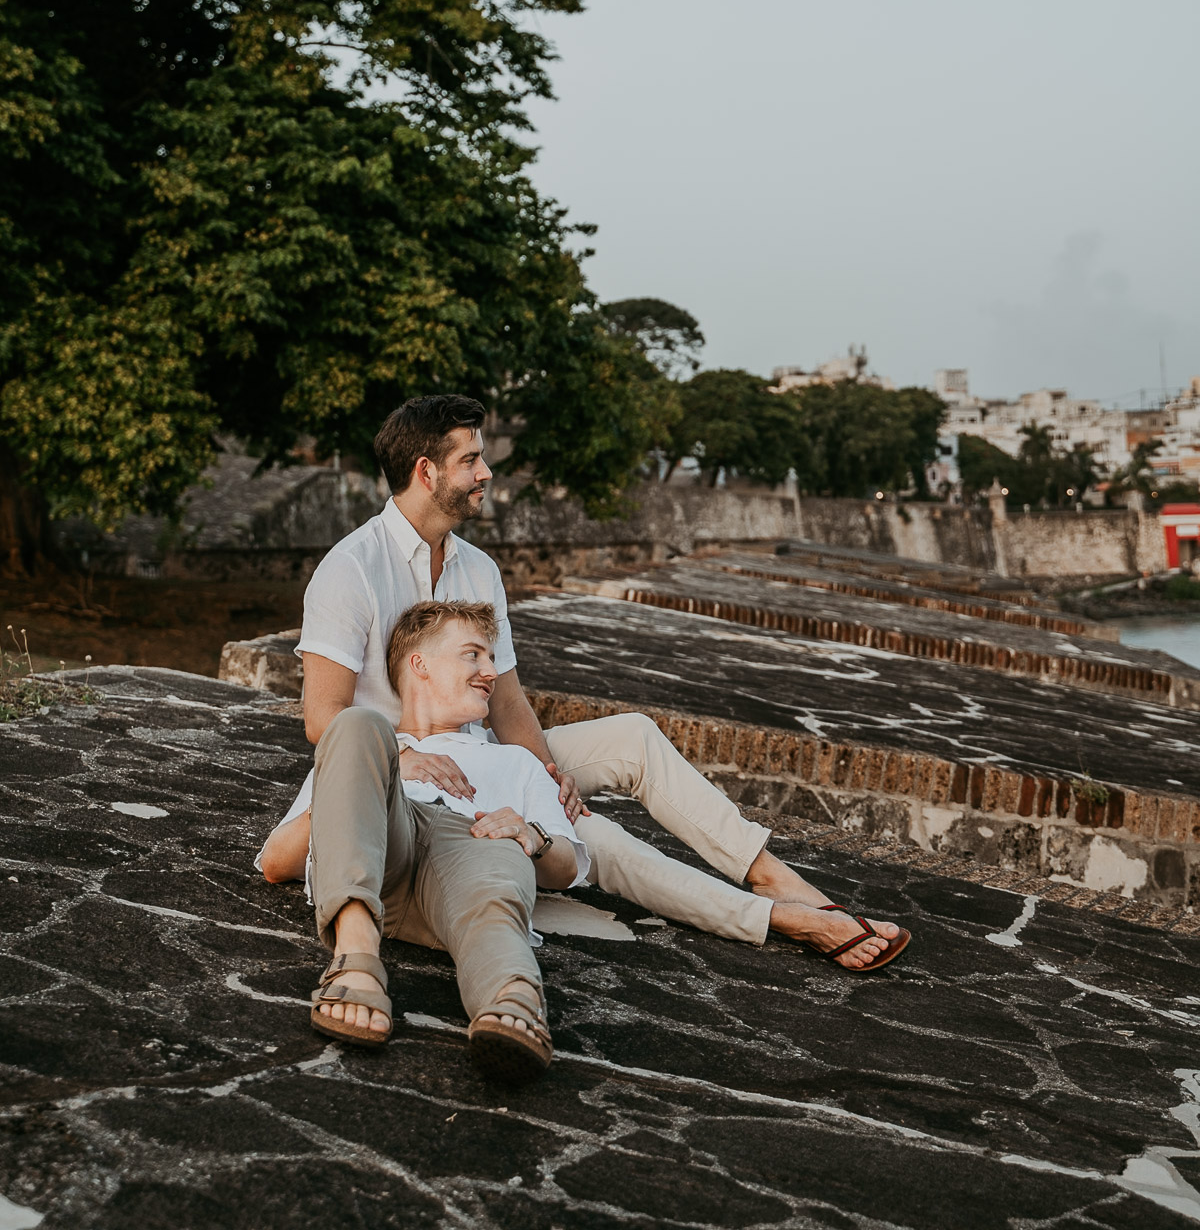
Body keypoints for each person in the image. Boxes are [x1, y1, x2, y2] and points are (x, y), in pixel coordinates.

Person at [261, 395, 908, 971]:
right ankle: (778, 922)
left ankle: (774, 879)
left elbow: (506, 697)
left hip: (486, 756)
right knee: (599, 839)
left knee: (633, 738)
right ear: (426, 472)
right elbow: (326, 718)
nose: (486, 473)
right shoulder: (351, 568)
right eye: (471, 461)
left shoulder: (479, 570)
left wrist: (547, 772)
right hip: (401, 773)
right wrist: (411, 756)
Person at [308, 598, 588, 1079]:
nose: (491, 672)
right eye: (473, 655)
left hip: (471, 854)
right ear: (420, 664)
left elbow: (564, 870)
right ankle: (356, 957)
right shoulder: (370, 748)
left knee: (499, 873)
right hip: (383, 854)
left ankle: (511, 994)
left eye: (492, 659)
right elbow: (277, 859)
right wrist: (368, 786)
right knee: (355, 721)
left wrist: (530, 834)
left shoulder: (516, 761)